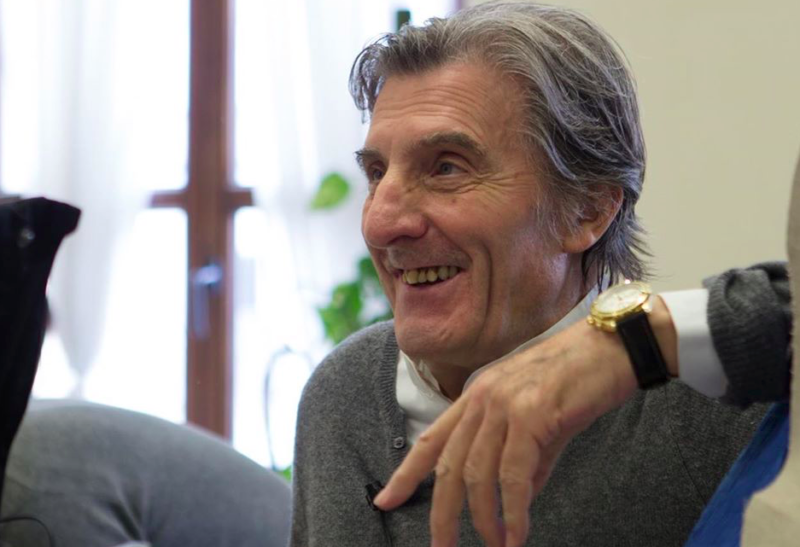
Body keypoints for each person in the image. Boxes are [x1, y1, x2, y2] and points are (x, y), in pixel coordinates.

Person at [290, 3, 790, 547]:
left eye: (447, 167)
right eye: (377, 172)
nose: (381, 223)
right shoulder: (344, 394)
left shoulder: (704, 405)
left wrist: (637, 344)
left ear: (587, 211)